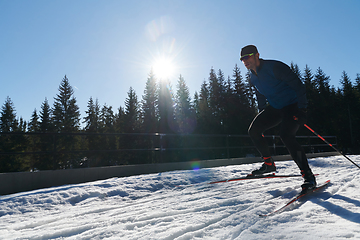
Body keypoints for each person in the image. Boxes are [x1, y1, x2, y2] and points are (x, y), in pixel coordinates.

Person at [240, 44, 316, 191]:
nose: (245, 61)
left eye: (248, 56)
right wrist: (262, 111)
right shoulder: (252, 77)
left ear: (257, 55)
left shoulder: (275, 67)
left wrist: (302, 109)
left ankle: (308, 176)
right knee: (254, 130)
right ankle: (268, 164)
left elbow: (298, 85)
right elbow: (260, 94)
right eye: (242, 58)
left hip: (292, 106)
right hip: (275, 108)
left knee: (286, 136)